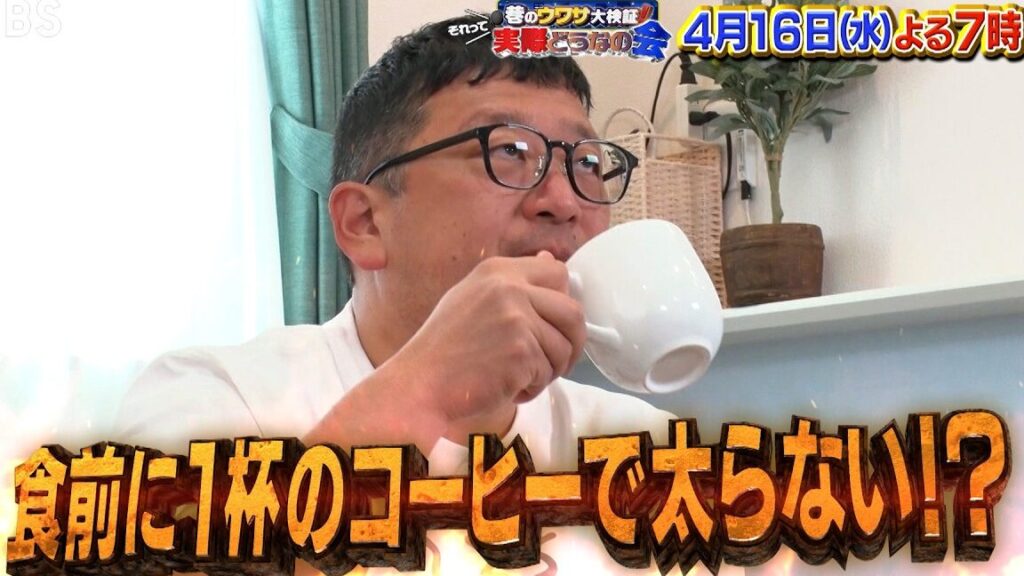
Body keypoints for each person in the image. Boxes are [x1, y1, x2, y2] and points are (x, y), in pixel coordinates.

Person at [116, 15, 678, 575]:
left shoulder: (640, 449)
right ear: (364, 223)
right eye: (508, 150)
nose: (564, 201)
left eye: (586, 163)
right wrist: (427, 390)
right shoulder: (219, 400)